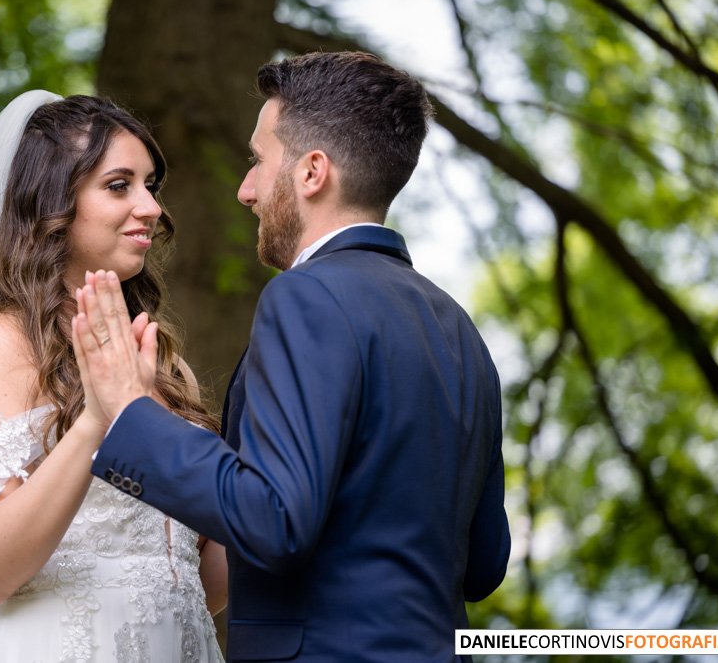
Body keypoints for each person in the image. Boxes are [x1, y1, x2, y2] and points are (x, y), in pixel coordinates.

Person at [72, 51, 511, 662]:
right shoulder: (460, 331)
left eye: (258, 160)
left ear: (311, 172)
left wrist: (131, 412)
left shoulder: (306, 296)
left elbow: (275, 520)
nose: (245, 190)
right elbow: (485, 564)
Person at [0, 91, 226, 662]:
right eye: (119, 185)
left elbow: (198, 582)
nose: (151, 207)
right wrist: (98, 420)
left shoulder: (164, 365)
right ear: (51, 203)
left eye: (150, 186)